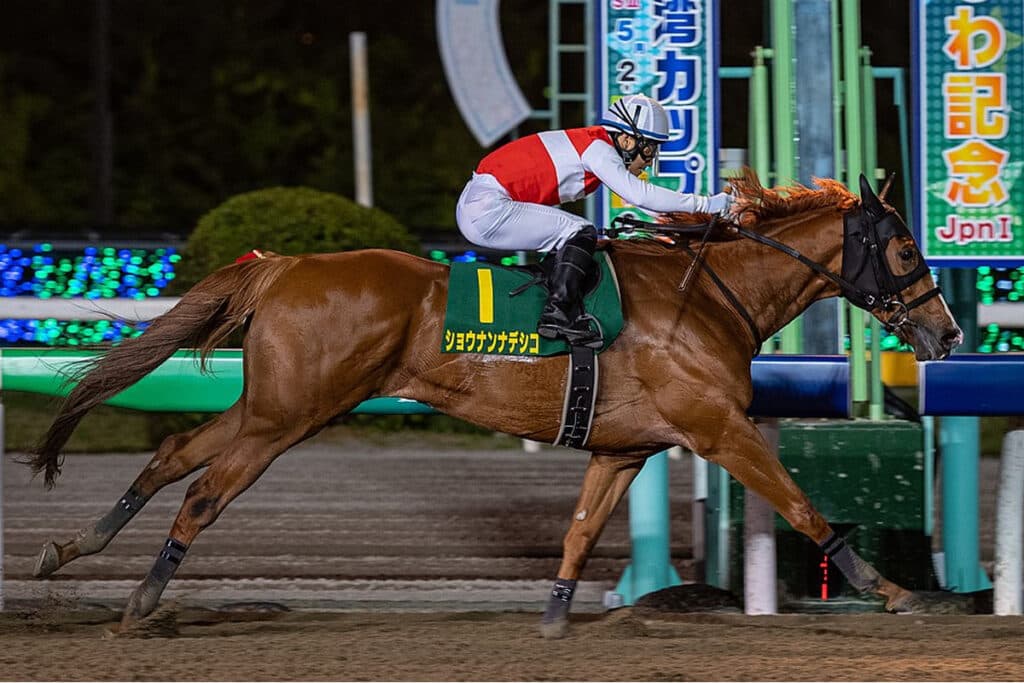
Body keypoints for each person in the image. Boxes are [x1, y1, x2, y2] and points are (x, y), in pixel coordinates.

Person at [455, 94, 735, 346]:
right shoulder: (597, 149)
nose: (650, 159)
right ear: (626, 140)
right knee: (580, 231)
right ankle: (557, 313)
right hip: (487, 208)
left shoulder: (594, 145)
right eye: (649, 148)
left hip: (483, 203)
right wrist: (706, 204)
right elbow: (640, 195)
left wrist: (693, 220)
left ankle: (556, 306)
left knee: (579, 236)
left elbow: (648, 207)